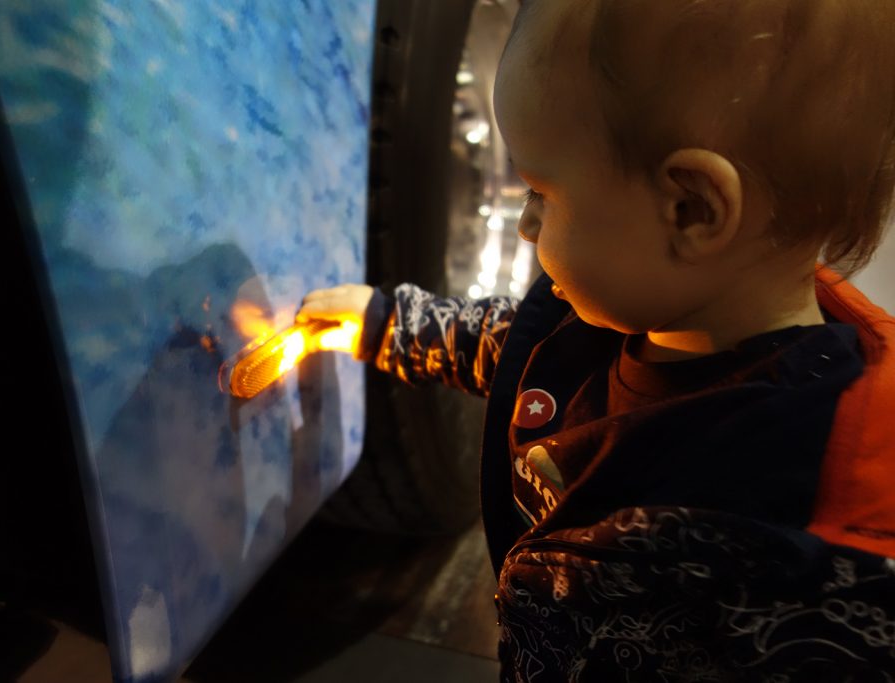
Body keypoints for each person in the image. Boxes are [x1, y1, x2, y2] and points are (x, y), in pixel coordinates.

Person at [298, 1, 895, 680]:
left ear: (691, 209)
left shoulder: (796, 563)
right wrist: (390, 325)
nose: (524, 224)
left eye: (540, 193)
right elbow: (519, 353)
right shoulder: (629, 314)